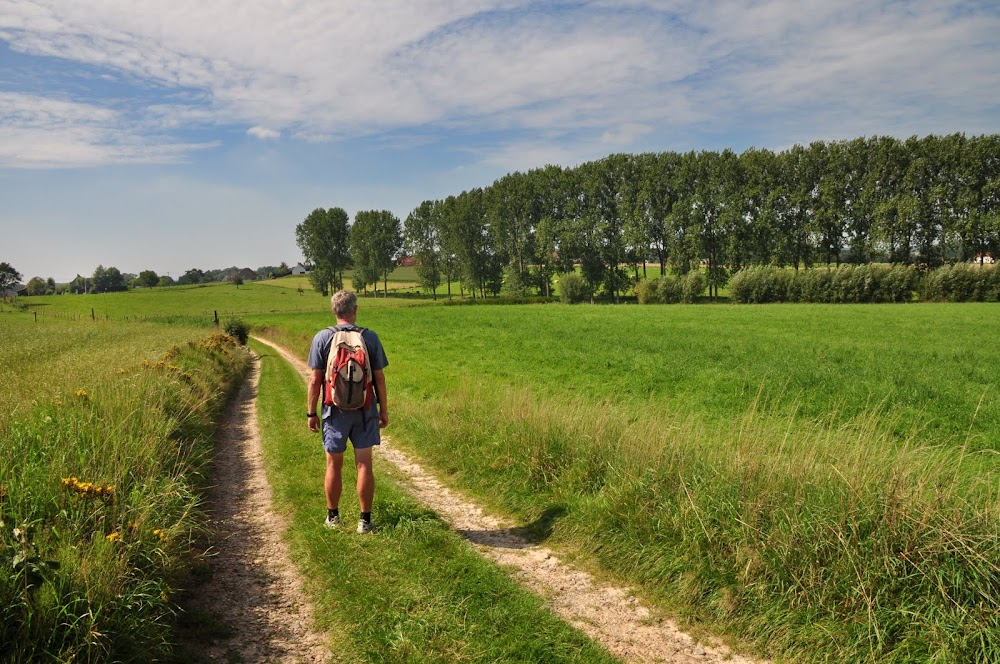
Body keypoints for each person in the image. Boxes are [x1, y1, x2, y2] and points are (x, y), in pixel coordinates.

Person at [307, 290, 389, 534]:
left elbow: (314, 380)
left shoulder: (322, 338)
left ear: (334, 311)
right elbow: (379, 379)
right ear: (355, 310)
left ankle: (333, 517)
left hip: (334, 411)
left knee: (334, 464)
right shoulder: (370, 337)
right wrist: (383, 409)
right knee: (364, 464)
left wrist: (311, 413)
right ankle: (364, 521)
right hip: (365, 410)